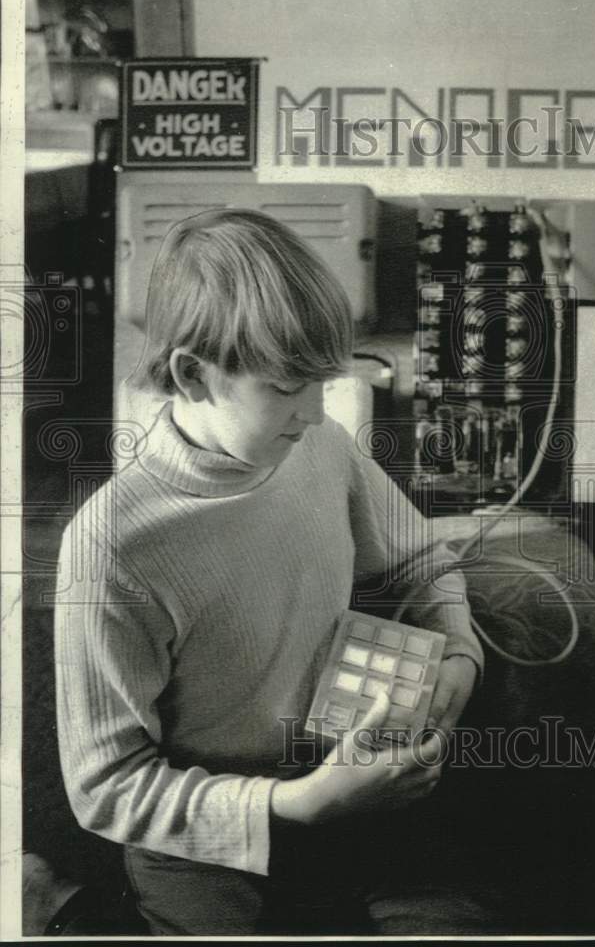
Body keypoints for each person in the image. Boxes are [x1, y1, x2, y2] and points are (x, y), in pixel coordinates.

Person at [54, 208, 494, 935]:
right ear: (192, 375)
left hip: (351, 781)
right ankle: (65, 911)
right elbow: (106, 787)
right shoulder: (108, 548)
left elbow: (420, 562)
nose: (318, 414)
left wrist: (458, 651)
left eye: (326, 383)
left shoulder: (319, 448)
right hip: (208, 841)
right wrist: (296, 805)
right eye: (289, 388)